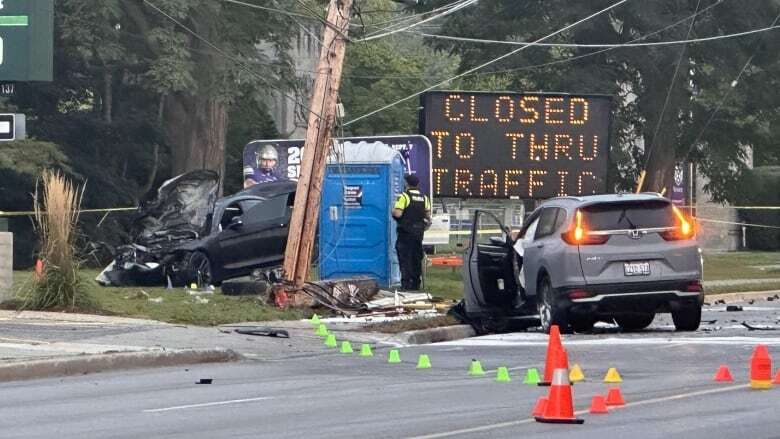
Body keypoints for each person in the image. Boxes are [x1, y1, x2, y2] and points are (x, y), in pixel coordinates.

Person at [392, 174, 431, 290]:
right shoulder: (424, 198)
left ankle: (406, 284)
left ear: (406, 184)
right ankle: (415, 283)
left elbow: (398, 213)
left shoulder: (404, 196)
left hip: (405, 233)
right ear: (417, 184)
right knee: (416, 258)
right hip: (418, 234)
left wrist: (392, 211)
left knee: (405, 258)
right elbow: (428, 216)